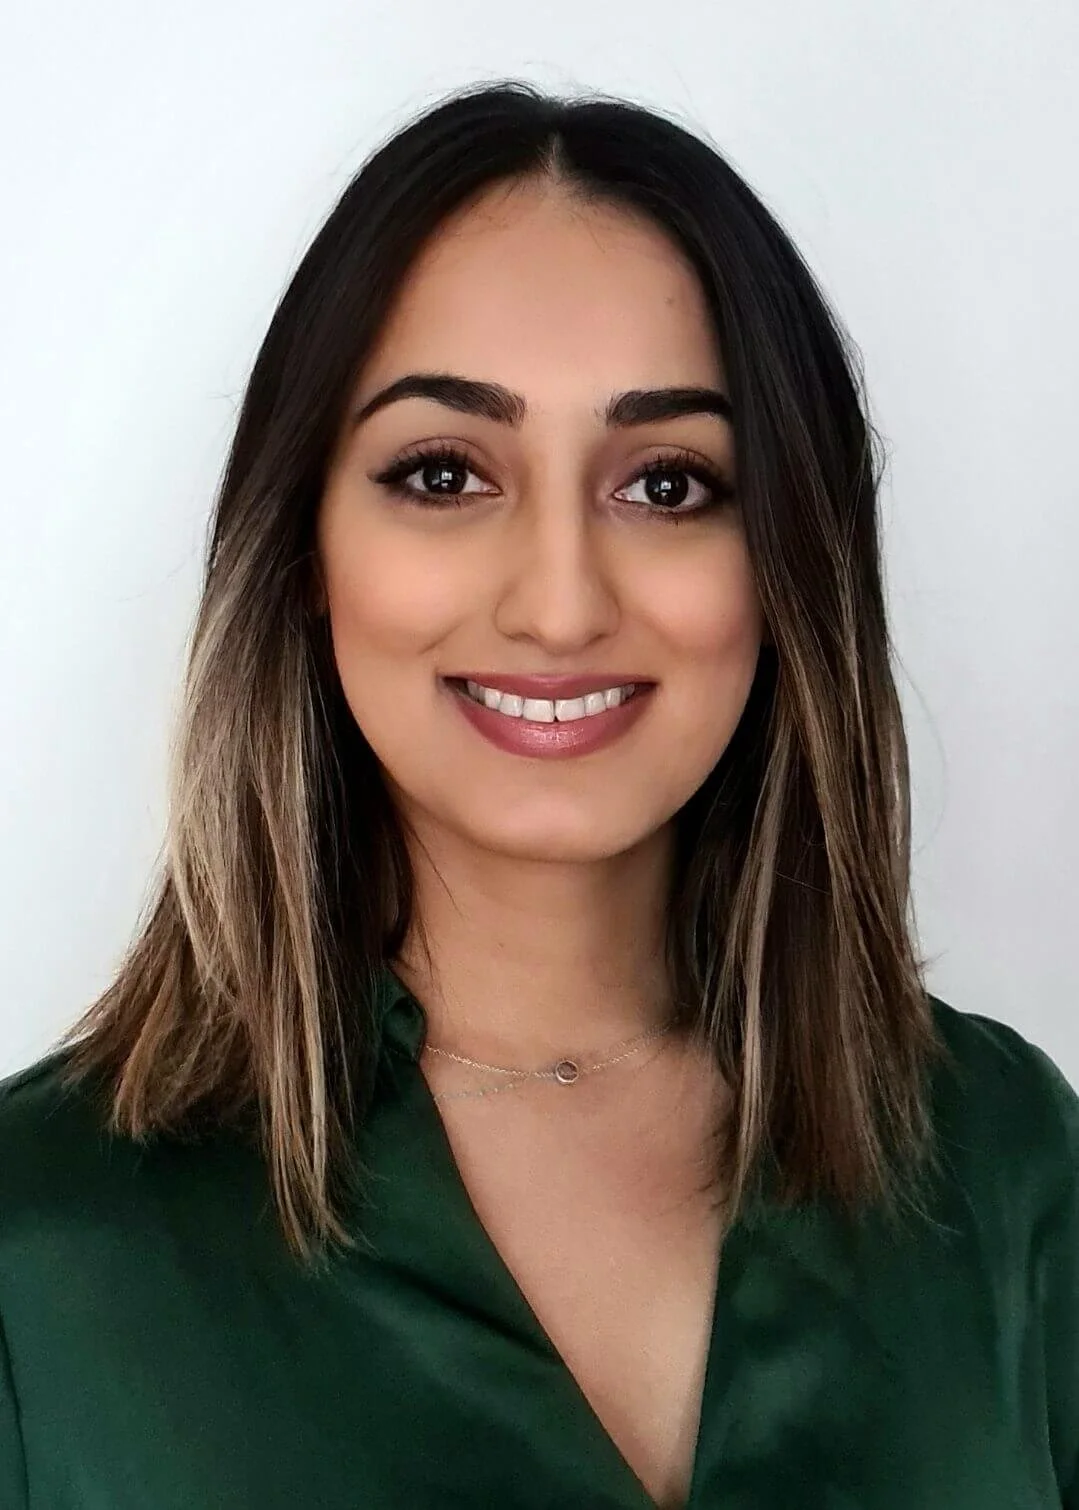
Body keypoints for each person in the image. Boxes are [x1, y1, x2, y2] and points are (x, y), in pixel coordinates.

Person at [0, 78, 1075, 1510]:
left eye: (669, 484)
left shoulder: (999, 1161)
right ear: (306, 553)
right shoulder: (42, 1249)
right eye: (444, 472)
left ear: (787, 561)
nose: (561, 604)